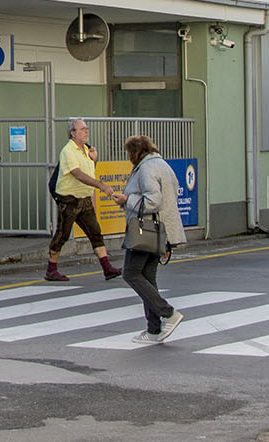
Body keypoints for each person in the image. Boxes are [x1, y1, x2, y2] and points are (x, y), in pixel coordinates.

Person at [121, 134, 187, 344]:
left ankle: (168, 313)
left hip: (146, 229)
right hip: (161, 230)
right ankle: (153, 329)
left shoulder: (146, 168)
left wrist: (126, 200)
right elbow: (173, 192)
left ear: (135, 152)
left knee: (130, 273)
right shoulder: (162, 164)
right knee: (148, 277)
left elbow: (153, 201)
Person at [46, 118, 123, 282]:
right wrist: (100, 186)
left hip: (84, 198)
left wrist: (94, 160)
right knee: (62, 234)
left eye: (86, 128)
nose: (86, 131)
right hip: (69, 199)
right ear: (72, 133)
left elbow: (89, 172)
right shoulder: (68, 151)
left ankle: (107, 268)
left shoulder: (87, 150)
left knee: (95, 231)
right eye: (82, 129)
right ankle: (51, 269)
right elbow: (78, 174)